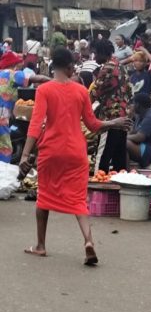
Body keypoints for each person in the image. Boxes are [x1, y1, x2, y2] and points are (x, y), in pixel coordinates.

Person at [20, 48, 130, 264]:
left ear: (53, 66)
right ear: (70, 67)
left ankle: (41, 245)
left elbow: (35, 125)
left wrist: (25, 154)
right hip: (76, 152)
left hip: (51, 151)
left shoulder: (44, 90)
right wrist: (114, 122)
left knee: (44, 197)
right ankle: (88, 241)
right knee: (79, 200)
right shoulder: (80, 91)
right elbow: (93, 125)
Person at [90, 39, 133, 173]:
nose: (94, 57)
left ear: (103, 53)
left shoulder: (107, 68)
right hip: (123, 118)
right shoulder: (120, 66)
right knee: (118, 161)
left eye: (95, 53)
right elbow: (130, 92)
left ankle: (98, 189)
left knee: (102, 158)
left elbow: (93, 93)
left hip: (110, 120)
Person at [0, 52, 49, 163]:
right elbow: (38, 78)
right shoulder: (12, 74)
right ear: (14, 64)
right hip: (1, 117)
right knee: (4, 149)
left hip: (5, 114)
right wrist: (56, 81)